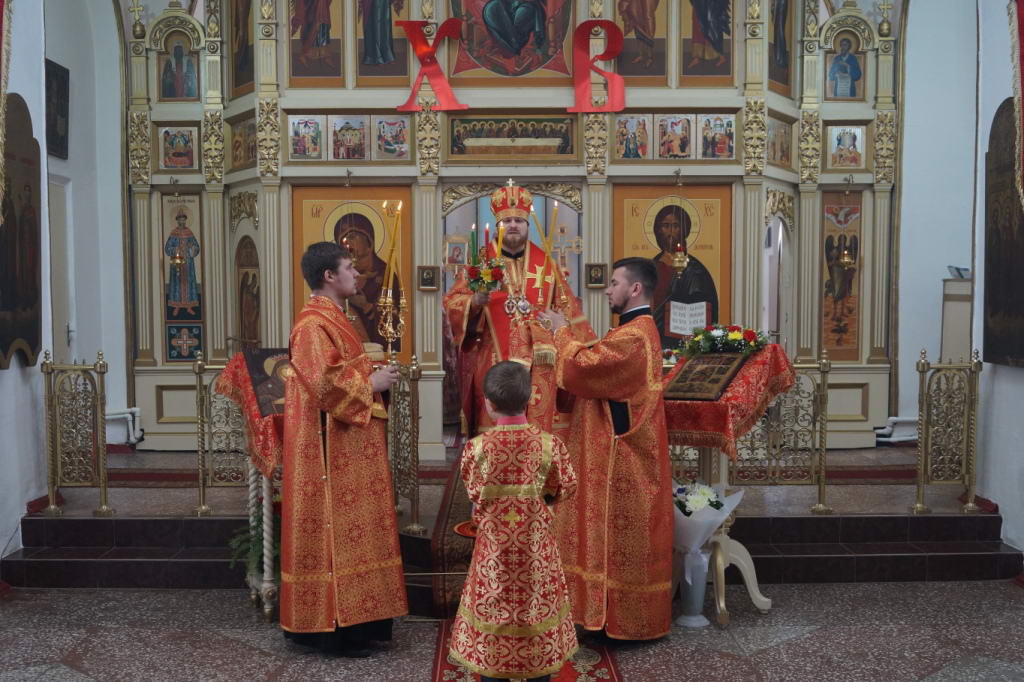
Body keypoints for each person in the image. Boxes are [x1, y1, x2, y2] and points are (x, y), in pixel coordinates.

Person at [280, 241, 407, 656]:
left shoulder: (336, 317)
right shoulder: (311, 325)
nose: (358, 274)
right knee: (336, 536)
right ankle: (335, 630)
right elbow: (323, 383)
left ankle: (361, 624)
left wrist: (373, 373)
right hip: (328, 454)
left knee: (358, 536)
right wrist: (371, 383)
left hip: (349, 448)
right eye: (350, 268)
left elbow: (340, 370)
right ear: (329, 276)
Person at [539, 257, 672, 641]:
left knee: (615, 543)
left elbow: (584, 368)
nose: (608, 290)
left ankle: (618, 620)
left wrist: (561, 331)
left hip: (622, 462)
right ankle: (599, 613)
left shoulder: (634, 336)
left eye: (614, 283)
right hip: (612, 455)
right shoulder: (631, 332)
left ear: (635, 288)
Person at [449, 361, 578, 682]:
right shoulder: (550, 445)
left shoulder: (476, 449)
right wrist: (541, 500)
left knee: (494, 613)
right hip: (536, 554)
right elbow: (566, 487)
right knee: (536, 614)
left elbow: (475, 492)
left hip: (493, 556)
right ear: (529, 399)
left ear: (488, 404)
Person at [442, 181, 593, 436]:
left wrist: (572, 338)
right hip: (493, 358)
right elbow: (451, 303)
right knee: (495, 433)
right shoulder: (480, 264)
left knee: (537, 430)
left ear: (527, 225)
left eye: (519, 221)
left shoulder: (547, 264)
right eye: (507, 220)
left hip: (539, 361)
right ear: (498, 225)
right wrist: (474, 302)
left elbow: (568, 308)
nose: (513, 225)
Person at [649, 205, 719, 345]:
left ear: (684, 230)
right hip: (653, 334)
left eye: (676, 226)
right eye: (666, 226)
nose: (670, 232)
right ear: (658, 230)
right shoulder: (651, 266)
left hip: (681, 337)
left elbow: (703, 304)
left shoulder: (695, 268)